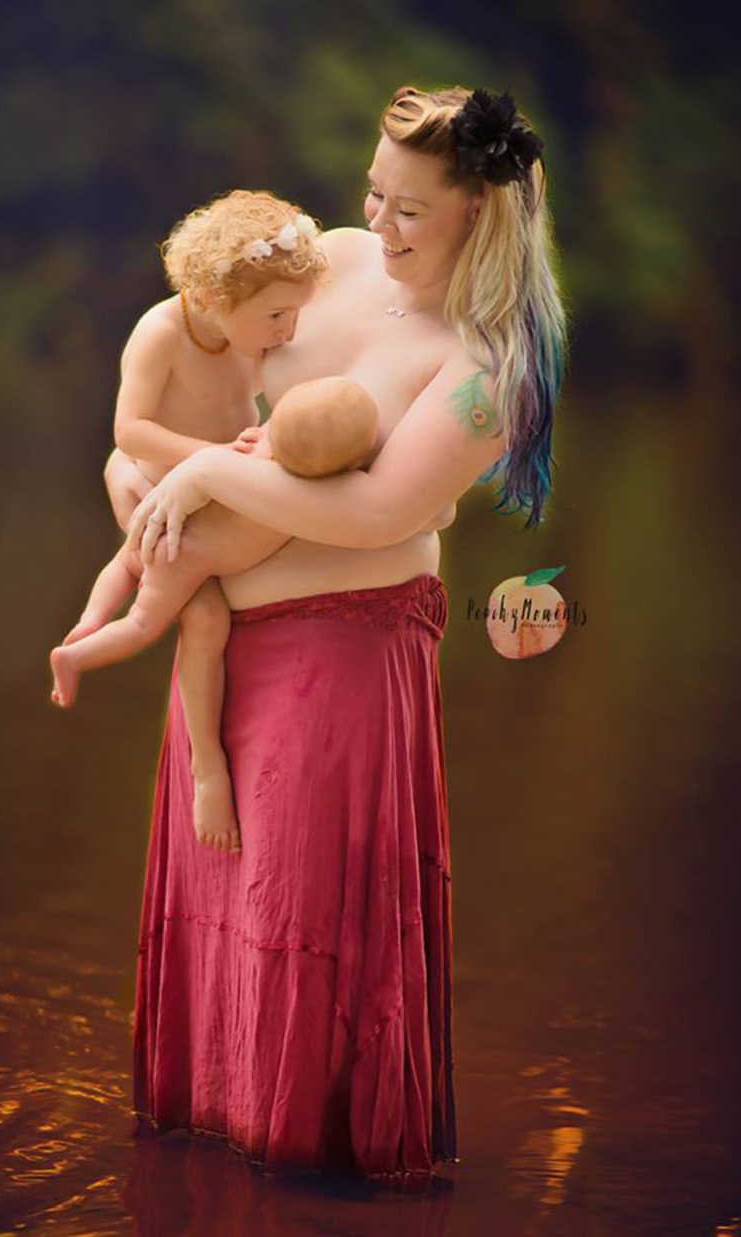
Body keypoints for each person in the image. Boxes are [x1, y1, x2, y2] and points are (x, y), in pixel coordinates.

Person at [114, 84, 567, 1180]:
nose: (376, 224)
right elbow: (212, 335)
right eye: (373, 192)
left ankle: (318, 1170)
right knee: (223, 905)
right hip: (223, 642)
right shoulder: (338, 261)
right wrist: (142, 458)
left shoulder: (490, 369)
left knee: (301, 922)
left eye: (410, 208)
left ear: (482, 214)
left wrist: (219, 471)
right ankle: (201, 1174)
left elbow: (378, 513)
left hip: (344, 656)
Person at [52, 189, 328, 855]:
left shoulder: (256, 335)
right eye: (276, 315)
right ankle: (208, 766)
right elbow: (129, 429)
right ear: (211, 298)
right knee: (202, 620)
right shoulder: (160, 333)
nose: (288, 330)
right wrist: (212, 463)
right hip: (162, 481)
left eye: (294, 313)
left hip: (215, 488)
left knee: (167, 584)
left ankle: (89, 631)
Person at [49, 373, 378, 725]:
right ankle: (76, 658)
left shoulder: (253, 445)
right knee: (141, 624)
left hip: (162, 524)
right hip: (181, 556)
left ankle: (91, 619)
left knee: (125, 565)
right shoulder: (300, 494)